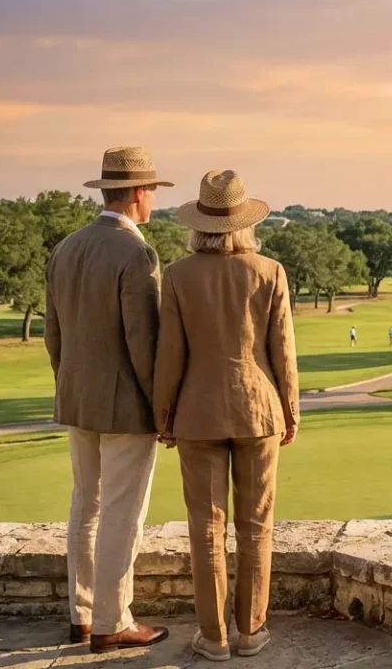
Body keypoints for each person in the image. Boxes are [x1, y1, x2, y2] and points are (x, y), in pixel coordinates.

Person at [152, 170, 299, 661]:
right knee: (256, 528)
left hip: (196, 413)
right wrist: (292, 410)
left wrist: (163, 414)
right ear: (245, 223)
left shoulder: (177, 274)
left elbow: (168, 354)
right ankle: (251, 633)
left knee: (206, 529)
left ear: (200, 223)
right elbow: (283, 352)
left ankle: (213, 638)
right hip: (260, 410)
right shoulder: (270, 271)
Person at [46, 146, 173, 653]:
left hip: (77, 397)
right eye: (153, 194)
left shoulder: (65, 247)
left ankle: (81, 616)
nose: (154, 204)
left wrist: (70, 383)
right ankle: (112, 622)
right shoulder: (135, 252)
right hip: (125, 405)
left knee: (86, 507)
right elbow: (145, 344)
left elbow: (53, 335)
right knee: (122, 513)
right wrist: (161, 410)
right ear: (140, 193)